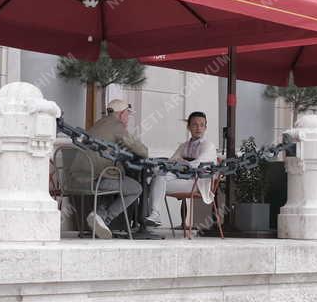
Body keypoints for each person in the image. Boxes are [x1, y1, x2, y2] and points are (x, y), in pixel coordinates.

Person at [80, 99, 145, 239]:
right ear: (121, 114)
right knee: (135, 188)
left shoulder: (97, 124)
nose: (128, 118)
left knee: (116, 180)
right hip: (97, 179)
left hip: (77, 180)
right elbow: (142, 151)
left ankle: (99, 216)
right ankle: (105, 219)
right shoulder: (117, 126)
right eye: (127, 114)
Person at [143, 111, 218, 227]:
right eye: (195, 124)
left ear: (205, 127)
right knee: (158, 176)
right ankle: (152, 216)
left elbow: (198, 164)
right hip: (183, 179)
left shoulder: (208, 145)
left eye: (202, 125)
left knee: (154, 184)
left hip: (197, 183)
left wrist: (183, 162)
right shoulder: (184, 145)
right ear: (188, 127)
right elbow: (172, 161)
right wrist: (180, 163)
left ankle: (151, 216)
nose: (198, 128)